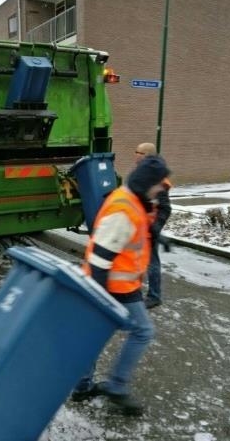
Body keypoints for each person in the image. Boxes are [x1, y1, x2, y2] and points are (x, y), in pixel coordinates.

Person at [72, 155, 171, 416]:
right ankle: (116, 386)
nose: (162, 188)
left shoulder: (134, 200)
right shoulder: (123, 208)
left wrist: (156, 236)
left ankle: (83, 386)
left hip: (120, 285)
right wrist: (99, 296)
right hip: (114, 286)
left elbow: (137, 230)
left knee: (94, 336)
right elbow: (99, 258)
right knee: (142, 332)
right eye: (159, 183)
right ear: (147, 182)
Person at [135, 143, 172, 309]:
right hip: (141, 227)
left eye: (139, 152)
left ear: (147, 156)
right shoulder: (144, 174)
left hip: (150, 228)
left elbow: (165, 208)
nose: (135, 155)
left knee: (151, 263)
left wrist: (156, 227)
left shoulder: (157, 179)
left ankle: (155, 296)